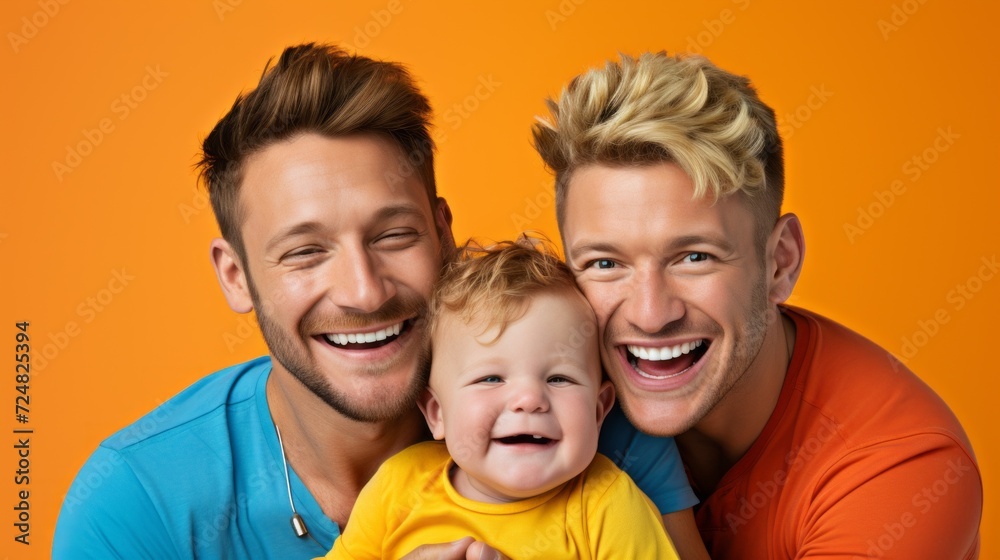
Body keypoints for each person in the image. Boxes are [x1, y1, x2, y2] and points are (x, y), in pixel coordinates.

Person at [53, 44, 699, 559]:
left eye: (394, 235)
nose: (364, 291)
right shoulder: (138, 501)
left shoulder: (588, 428)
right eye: (305, 251)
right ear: (237, 276)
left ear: (444, 233)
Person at [533, 52, 983, 558]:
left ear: (780, 263)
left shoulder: (898, 467)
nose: (649, 315)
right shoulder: (534, 391)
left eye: (694, 257)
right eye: (604, 264)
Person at [327, 240, 681, 559]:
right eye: (490, 378)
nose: (529, 399)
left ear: (599, 409)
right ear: (437, 413)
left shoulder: (609, 506)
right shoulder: (398, 486)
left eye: (559, 378)